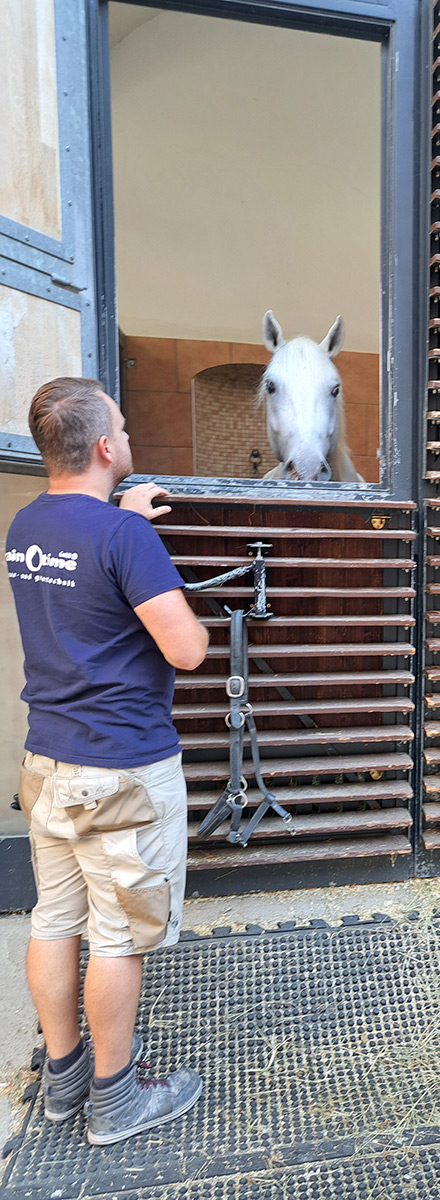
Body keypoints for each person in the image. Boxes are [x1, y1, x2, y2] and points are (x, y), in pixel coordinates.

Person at [4, 377, 209, 1146]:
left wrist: (120, 520)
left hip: (46, 761)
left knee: (55, 921)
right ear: (103, 447)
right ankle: (117, 1100)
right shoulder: (126, 538)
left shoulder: (28, 524)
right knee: (118, 934)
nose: (126, 436)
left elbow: (77, 574)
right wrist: (135, 537)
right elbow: (185, 651)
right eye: (121, 426)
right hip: (119, 771)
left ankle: (62, 1081)